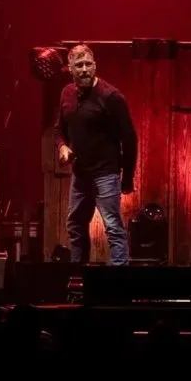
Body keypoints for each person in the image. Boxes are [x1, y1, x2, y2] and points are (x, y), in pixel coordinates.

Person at [56, 44, 137, 265]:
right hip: (80, 175)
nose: (84, 70)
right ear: (70, 69)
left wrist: (127, 178)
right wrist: (62, 146)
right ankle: (78, 276)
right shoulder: (67, 93)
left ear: (95, 66)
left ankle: (119, 280)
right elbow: (59, 129)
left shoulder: (111, 97)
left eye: (88, 64)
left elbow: (129, 138)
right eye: (79, 65)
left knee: (113, 227)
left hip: (106, 174)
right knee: (75, 225)